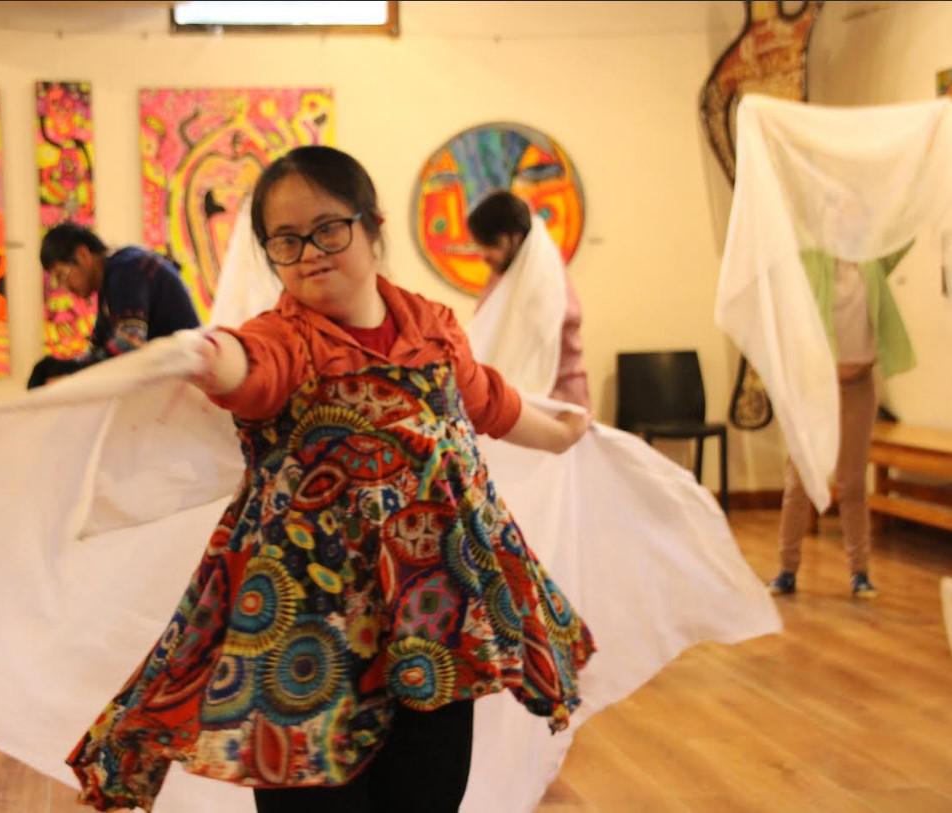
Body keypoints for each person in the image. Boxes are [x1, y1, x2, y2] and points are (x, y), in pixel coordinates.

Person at [66, 146, 595, 813]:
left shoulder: (433, 328)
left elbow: (488, 401)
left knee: (428, 796)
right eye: (285, 241)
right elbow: (248, 369)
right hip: (305, 631)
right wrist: (210, 355)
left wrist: (562, 433)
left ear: (372, 227)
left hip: (431, 614)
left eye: (327, 229)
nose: (309, 253)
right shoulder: (284, 338)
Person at [767, 243, 916, 600]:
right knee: (800, 480)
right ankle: (787, 569)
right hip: (815, 387)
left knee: (852, 481)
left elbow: (901, 232)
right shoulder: (810, 259)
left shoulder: (872, 262)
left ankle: (859, 573)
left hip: (858, 386)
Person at [28, 224, 201, 388]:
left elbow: (129, 344)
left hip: (189, 381)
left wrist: (69, 372)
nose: (66, 287)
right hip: (178, 380)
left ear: (82, 255)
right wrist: (63, 367)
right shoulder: (110, 284)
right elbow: (98, 347)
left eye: (62, 275)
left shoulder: (126, 269)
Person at [466, 191, 590, 410]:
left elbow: (550, 331)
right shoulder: (503, 275)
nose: (483, 255)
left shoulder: (546, 279)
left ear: (514, 236)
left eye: (491, 244)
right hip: (512, 404)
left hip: (558, 399)